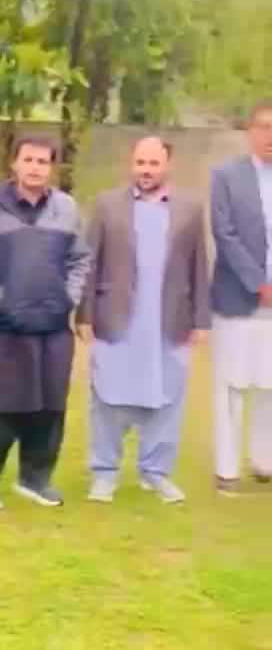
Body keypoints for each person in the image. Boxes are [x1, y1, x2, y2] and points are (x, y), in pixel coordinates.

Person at [78, 136, 209, 505]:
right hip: (117, 319)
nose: (146, 170)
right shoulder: (107, 205)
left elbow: (199, 265)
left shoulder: (190, 209)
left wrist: (202, 318)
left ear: (168, 165)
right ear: (131, 164)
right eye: (140, 163)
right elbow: (90, 262)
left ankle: (156, 472)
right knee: (108, 397)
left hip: (169, 320)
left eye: (153, 163)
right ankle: (104, 473)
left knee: (167, 397)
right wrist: (84, 314)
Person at [0, 134, 90, 510]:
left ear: (52, 168)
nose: (35, 168)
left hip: (52, 327)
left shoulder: (67, 208)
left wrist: (69, 296)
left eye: (42, 162)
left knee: (49, 405)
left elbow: (80, 259)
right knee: (0, 405)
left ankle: (35, 479)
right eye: (28, 160)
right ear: (14, 164)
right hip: (3, 329)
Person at [211, 100, 272, 493]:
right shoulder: (226, 176)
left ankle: (265, 460)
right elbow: (224, 232)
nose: (270, 135)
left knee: (269, 384)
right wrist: (259, 284)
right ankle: (227, 468)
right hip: (238, 297)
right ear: (250, 131)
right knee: (231, 383)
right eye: (264, 126)